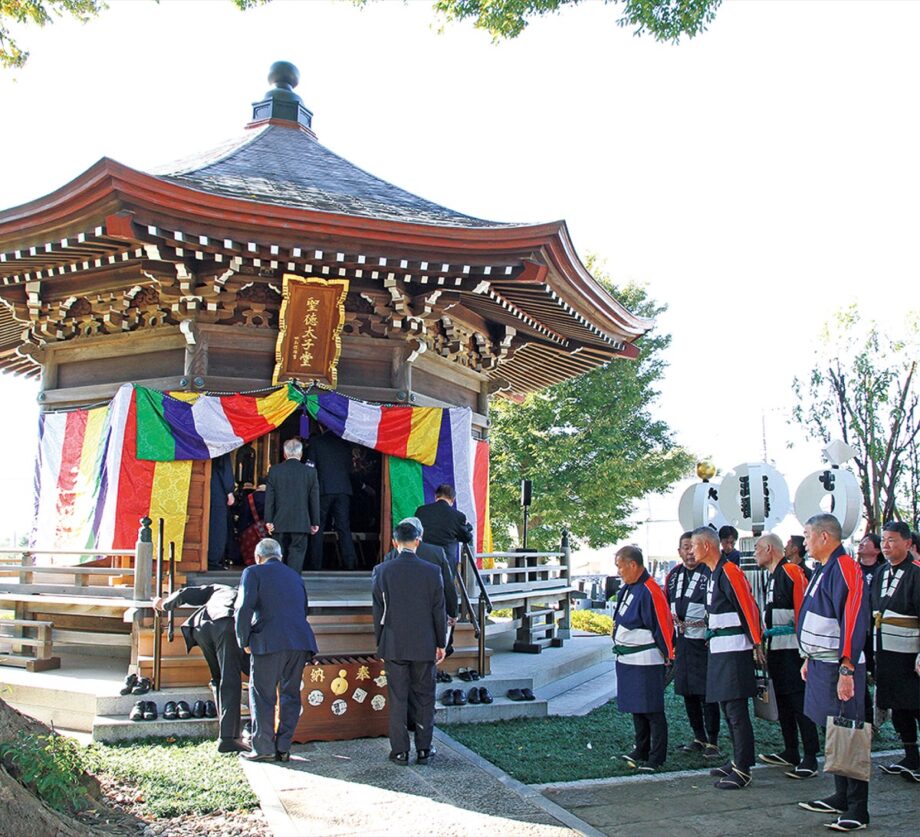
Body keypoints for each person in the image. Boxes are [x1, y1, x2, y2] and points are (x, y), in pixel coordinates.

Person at [797, 513, 871, 832]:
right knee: (833, 729)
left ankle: (858, 809)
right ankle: (841, 797)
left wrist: (847, 667)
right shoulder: (822, 569)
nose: (804, 542)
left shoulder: (845, 567)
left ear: (824, 537)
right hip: (819, 663)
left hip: (840, 666)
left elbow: (854, 619)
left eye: (807, 536)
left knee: (848, 732)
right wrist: (808, 657)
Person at [235, 537, 318, 762]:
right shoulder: (295, 575)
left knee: (263, 694)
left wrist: (243, 640)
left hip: (268, 641)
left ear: (258, 557)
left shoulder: (253, 572)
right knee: (291, 694)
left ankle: (263, 748)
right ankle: (283, 747)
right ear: (280, 557)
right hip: (299, 642)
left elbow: (244, 608)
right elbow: (304, 608)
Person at [691, 526, 761, 790]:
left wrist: (756, 642)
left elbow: (748, 605)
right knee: (726, 708)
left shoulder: (729, 571)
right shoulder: (712, 573)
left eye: (694, 545)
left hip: (734, 649)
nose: (691, 551)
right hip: (720, 648)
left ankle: (743, 769)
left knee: (736, 711)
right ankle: (737, 760)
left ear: (707, 546)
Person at [372, 519, 447, 766]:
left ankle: (400, 751)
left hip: (393, 642)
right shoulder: (432, 571)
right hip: (425, 643)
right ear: (418, 541)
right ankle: (424, 749)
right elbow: (439, 610)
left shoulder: (382, 570)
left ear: (395, 542)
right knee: (425, 697)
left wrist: (380, 642)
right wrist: (440, 642)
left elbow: (378, 612)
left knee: (398, 697)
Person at [153, 583, 249, 752]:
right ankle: (228, 738)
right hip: (227, 626)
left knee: (219, 679)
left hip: (202, 627)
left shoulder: (220, 589)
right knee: (230, 681)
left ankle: (227, 732)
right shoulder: (248, 594)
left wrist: (164, 604)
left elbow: (187, 592)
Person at [754, 533, 819, 779]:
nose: (755, 553)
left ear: (770, 548)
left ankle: (811, 756)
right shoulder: (770, 577)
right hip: (776, 648)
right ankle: (791, 750)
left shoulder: (791, 571)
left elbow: (804, 609)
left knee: (798, 702)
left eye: (758, 548)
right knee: (782, 700)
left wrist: (806, 650)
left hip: (793, 648)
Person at [612, 545, 675, 773]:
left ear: (633, 565)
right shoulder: (629, 588)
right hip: (628, 658)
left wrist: (669, 654)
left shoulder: (650, 589)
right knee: (637, 707)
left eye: (620, 566)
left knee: (652, 709)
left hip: (647, 658)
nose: (619, 571)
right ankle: (642, 748)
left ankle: (656, 756)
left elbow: (663, 624)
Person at [665, 531, 720, 758]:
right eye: (685, 548)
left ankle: (713, 741)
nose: (689, 552)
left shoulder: (709, 571)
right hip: (682, 640)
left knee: (706, 692)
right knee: (687, 690)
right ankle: (698, 736)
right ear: (679, 551)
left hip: (703, 640)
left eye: (692, 547)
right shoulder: (674, 574)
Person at [873, 521, 920, 783]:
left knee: (915, 704)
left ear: (908, 544)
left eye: (892, 540)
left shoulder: (916, 572)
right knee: (897, 705)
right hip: (886, 649)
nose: (886, 545)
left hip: (910, 651)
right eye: (884, 540)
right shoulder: (881, 573)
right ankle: (910, 755)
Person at [382, 517, 458, 625]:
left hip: (399, 617)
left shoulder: (391, 556)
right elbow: (448, 584)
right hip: (431, 615)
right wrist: (453, 612)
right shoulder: (437, 553)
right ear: (420, 534)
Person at [264, 438, 320, 574]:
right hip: (301, 521)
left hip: (279, 520)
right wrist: (315, 522)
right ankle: (293, 581)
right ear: (301, 454)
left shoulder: (275, 471)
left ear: (284, 454)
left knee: (278, 553)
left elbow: (270, 498)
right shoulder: (310, 472)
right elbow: (314, 499)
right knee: (297, 553)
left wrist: (268, 520)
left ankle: (278, 581)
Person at [308, 424, 358, 571]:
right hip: (343, 489)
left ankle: (315, 564)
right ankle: (350, 563)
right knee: (343, 527)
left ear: (321, 427)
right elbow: (350, 468)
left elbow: (311, 469)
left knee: (318, 526)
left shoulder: (316, 442)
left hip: (324, 489)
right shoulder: (344, 442)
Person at [856, 532, 885, 725]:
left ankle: (881, 714)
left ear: (876, 550)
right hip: (858, 629)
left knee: (879, 673)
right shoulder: (853, 568)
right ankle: (866, 718)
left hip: (878, 631)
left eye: (867, 542)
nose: (862, 544)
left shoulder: (883, 571)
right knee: (858, 673)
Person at [415, 484, 473, 567]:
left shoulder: (421, 511)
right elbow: (465, 538)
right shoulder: (458, 516)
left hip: (423, 560)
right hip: (445, 562)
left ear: (436, 496)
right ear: (453, 499)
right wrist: (467, 529)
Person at [208, 452, 235, 570]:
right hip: (218, 490)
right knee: (217, 526)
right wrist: (229, 491)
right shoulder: (221, 443)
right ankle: (214, 560)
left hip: (203, 489)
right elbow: (225, 468)